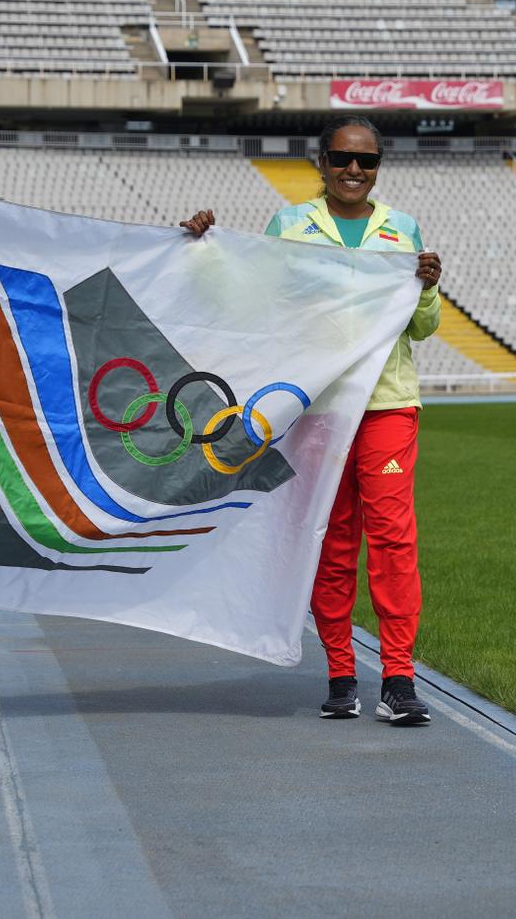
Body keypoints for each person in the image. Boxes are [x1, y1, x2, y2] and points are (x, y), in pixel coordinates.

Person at [181, 115, 442, 726]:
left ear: (380, 166)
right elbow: (257, 301)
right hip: (318, 405)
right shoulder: (290, 226)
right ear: (321, 163)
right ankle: (341, 673)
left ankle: (399, 678)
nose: (355, 170)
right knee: (335, 538)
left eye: (368, 161)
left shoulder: (402, 229)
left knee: (394, 540)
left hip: (386, 403)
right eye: (343, 159)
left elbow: (422, 328)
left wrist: (428, 290)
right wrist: (204, 253)